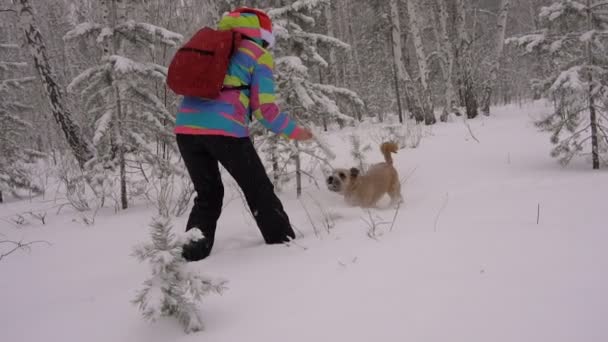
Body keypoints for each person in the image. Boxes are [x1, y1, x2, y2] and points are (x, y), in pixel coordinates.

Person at [175, 7, 313, 261]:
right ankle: (284, 245)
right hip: (225, 131)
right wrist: (296, 132)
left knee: (208, 194)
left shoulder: (211, 45)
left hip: (185, 130)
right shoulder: (258, 55)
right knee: (258, 188)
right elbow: (266, 111)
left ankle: (191, 255)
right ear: (263, 34)